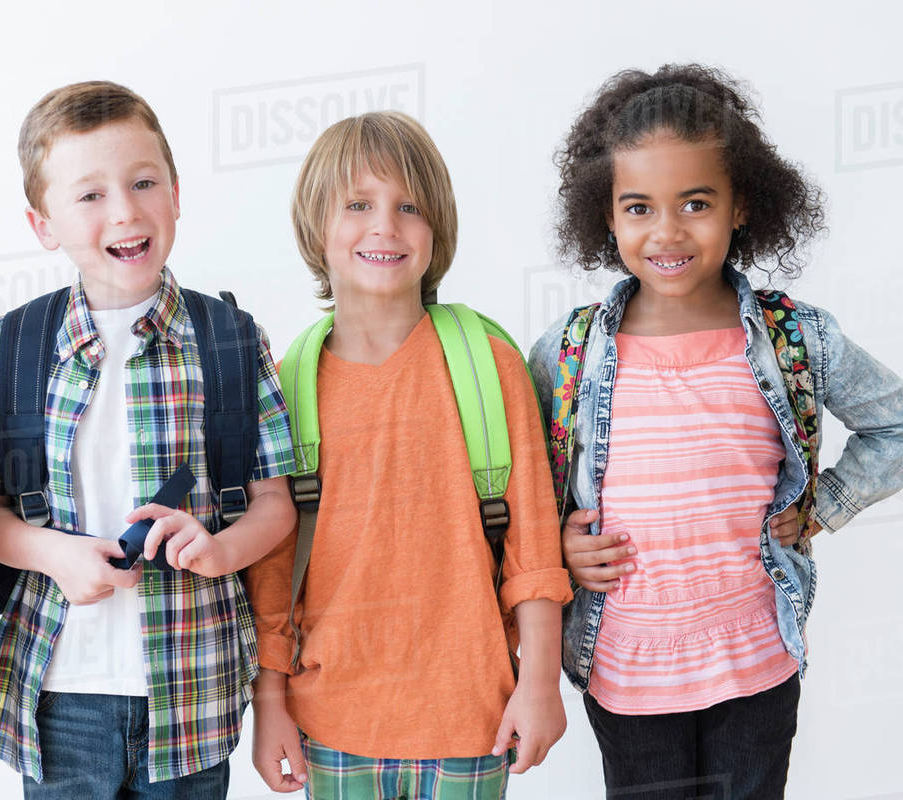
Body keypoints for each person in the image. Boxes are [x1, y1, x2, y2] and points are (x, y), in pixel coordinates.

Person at [528, 64, 903, 799]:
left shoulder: (795, 339)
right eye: (638, 207)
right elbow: (518, 482)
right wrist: (557, 545)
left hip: (757, 661)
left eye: (695, 203)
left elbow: (893, 423)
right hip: (627, 668)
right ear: (606, 216)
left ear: (741, 207)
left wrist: (824, 506)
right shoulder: (570, 351)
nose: (667, 231)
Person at [0, 80, 297, 798]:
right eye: (90, 195)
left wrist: (221, 550)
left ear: (175, 194)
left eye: (144, 182)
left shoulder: (232, 342)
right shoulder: (9, 348)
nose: (125, 210)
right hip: (57, 690)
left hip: (192, 689)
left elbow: (275, 503)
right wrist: (53, 553)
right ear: (43, 223)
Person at [246, 111, 572, 800]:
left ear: (437, 229)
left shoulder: (490, 365)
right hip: (332, 719)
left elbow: (534, 547)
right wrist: (268, 704)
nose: (385, 226)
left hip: (472, 717)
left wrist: (541, 682)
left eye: (408, 207)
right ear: (316, 228)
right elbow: (272, 577)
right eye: (358, 205)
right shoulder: (287, 384)